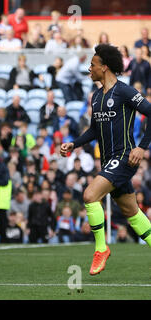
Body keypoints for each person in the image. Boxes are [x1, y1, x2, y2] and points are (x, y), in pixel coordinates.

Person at [60, 44, 151, 276]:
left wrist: (141, 147)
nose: (89, 69)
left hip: (124, 157)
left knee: (90, 195)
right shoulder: (97, 96)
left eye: (92, 65)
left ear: (105, 67)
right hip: (108, 160)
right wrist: (74, 144)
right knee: (131, 211)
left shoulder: (125, 91)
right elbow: (94, 129)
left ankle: (101, 249)